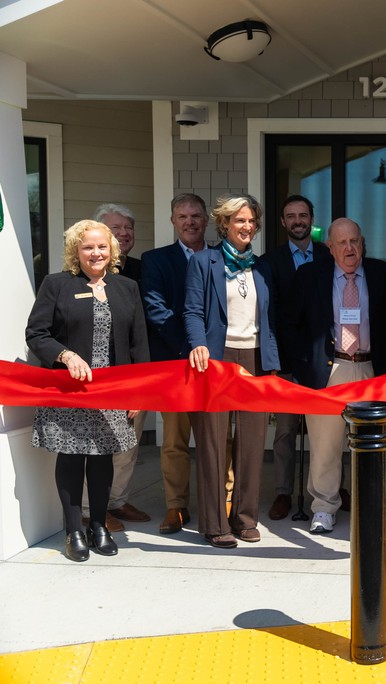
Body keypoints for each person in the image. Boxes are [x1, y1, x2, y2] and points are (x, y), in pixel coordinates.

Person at [25, 220, 149, 562]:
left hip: (111, 389)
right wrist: (65, 355)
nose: (96, 253)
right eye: (87, 247)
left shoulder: (127, 287)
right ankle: (73, 530)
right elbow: (36, 333)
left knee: (102, 459)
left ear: (112, 250)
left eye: (102, 247)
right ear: (75, 252)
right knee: (71, 457)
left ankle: (98, 526)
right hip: (70, 388)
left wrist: (138, 391)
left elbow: (139, 342)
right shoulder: (57, 285)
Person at [286, 218, 386, 535]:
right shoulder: (310, 276)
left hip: (371, 369)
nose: (350, 248)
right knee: (325, 444)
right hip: (329, 368)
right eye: (342, 243)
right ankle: (323, 507)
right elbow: (291, 323)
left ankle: (379, 507)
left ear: (362, 243)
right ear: (330, 247)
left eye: (355, 242)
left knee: (376, 445)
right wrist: (303, 366)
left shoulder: (382, 275)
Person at [183, 193, 279, 548]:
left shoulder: (262, 266)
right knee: (212, 442)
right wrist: (198, 344)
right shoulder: (202, 262)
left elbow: (269, 319)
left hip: (255, 357)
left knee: (252, 442)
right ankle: (213, 523)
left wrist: (273, 362)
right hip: (216, 358)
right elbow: (192, 310)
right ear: (224, 224)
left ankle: (244, 517)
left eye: (252, 220)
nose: (247, 226)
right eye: (240, 220)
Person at [141, 193, 210, 534]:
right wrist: (191, 347)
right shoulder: (155, 260)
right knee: (174, 441)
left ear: (206, 220)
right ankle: (176, 506)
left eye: (195, 215)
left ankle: (221, 501)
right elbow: (156, 310)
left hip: (215, 365)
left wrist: (208, 349)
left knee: (218, 438)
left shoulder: (220, 259)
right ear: (172, 221)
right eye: (182, 216)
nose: (189, 222)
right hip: (175, 363)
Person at [79, 204, 149, 532]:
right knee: (95, 444)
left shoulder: (139, 270)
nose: (123, 234)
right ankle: (90, 508)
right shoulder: (73, 277)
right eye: (115, 228)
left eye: (128, 228)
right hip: (90, 374)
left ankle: (117, 501)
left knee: (127, 441)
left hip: (130, 371)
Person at [264, 194, 330, 521]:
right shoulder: (270, 261)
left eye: (303, 215)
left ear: (312, 218)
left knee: (326, 430)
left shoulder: (328, 255)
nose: (298, 221)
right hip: (288, 360)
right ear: (283, 222)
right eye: (291, 216)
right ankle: (282, 491)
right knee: (286, 430)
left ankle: (327, 487)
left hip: (322, 358)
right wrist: (274, 361)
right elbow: (270, 314)